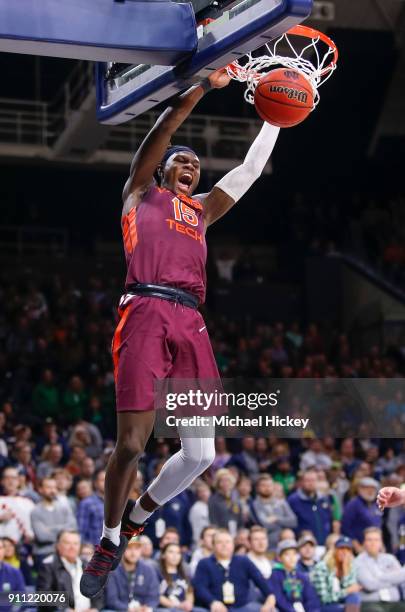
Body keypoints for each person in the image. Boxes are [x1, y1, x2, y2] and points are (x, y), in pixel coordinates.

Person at [81, 67, 281, 598]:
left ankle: (138, 516)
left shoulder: (202, 211)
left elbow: (251, 169)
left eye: (194, 164)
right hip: (145, 308)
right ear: (163, 171)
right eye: (181, 161)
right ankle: (107, 540)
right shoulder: (139, 193)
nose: (189, 165)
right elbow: (164, 128)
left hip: (190, 319)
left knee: (201, 455)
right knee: (130, 445)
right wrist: (203, 88)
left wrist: (278, 117)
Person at [193, 528, 276, 612]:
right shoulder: (204, 563)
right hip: (214, 608)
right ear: (213, 545)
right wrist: (212, 602)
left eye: (227, 542)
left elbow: (260, 580)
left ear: (233, 545)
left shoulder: (243, 560)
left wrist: (270, 596)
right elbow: (200, 588)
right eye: (219, 542)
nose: (224, 545)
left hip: (242, 607)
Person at [37, 529, 102, 612]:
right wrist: (65, 610)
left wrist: (95, 609)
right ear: (58, 546)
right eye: (67, 543)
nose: (72, 547)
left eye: (76, 543)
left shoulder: (87, 565)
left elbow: (99, 595)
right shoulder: (48, 566)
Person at [31, 476, 77, 567]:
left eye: (55, 487)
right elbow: (42, 537)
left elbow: (73, 528)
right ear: (40, 489)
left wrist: (50, 529)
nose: (53, 490)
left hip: (65, 552)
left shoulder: (64, 508)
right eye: (49, 487)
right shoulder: (36, 511)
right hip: (44, 552)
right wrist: (63, 530)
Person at [104, 537, 159, 612]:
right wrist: (128, 609)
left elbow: (154, 596)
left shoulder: (149, 569)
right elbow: (111, 600)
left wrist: (147, 608)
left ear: (141, 550)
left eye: (137, 548)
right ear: (122, 550)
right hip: (120, 610)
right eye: (129, 548)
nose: (133, 553)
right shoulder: (113, 570)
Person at [353, 526, 405, 607]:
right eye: (369, 540)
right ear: (364, 543)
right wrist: (394, 580)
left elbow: (403, 577)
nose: (373, 543)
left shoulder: (390, 558)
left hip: (395, 603)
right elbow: (370, 585)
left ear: (381, 542)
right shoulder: (358, 562)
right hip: (371, 603)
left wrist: (380, 577)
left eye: (376, 540)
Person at [310, 536, 362, 612]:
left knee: (354, 597)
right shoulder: (322, 567)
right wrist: (346, 591)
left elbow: (351, 591)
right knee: (346, 608)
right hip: (323, 605)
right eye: (341, 548)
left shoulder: (350, 566)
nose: (344, 552)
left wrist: (345, 571)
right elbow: (324, 598)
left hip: (342, 603)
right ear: (334, 550)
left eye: (348, 550)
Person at [269, 539, 321, 612]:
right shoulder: (276, 574)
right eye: (287, 554)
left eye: (294, 554)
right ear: (279, 558)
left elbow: (311, 598)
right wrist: (292, 610)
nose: (291, 557)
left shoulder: (301, 576)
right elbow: (278, 598)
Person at [288, 469, 335, 545]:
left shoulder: (324, 499)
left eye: (313, 480)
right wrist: (300, 532)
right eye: (308, 480)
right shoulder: (293, 500)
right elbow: (290, 523)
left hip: (325, 542)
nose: (311, 483)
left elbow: (330, 519)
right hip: (304, 544)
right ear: (302, 482)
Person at [251, 474, 297, 550]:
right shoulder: (255, 505)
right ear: (258, 488)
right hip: (267, 542)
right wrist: (283, 524)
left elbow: (294, 521)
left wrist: (277, 519)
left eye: (269, 485)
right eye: (263, 485)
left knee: (288, 533)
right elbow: (264, 525)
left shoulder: (281, 503)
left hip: (284, 541)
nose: (267, 488)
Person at [157, 542, 205, 612]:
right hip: (166, 608)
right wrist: (176, 605)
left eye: (178, 553)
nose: (175, 556)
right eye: (171, 552)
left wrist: (188, 604)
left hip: (183, 608)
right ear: (163, 555)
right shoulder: (158, 574)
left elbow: (189, 592)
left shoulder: (185, 574)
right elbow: (158, 596)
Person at [341, 477, 382, 552]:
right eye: (367, 488)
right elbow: (345, 527)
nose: (370, 491)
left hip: (374, 545)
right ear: (360, 489)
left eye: (373, 488)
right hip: (359, 546)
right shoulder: (353, 504)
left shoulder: (376, 504)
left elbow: (379, 526)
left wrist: (381, 544)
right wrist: (356, 545)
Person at [208, 468, 243, 534]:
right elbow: (213, 520)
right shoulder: (213, 500)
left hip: (236, 532)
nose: (226, 483)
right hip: (221, 533)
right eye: (222, 481)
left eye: (228, 480)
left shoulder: (236, 497)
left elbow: (240, 517)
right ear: (218, 483)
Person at [77, 469, 105, 545]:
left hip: (113, 550)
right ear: (96, 483)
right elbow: (81, 530)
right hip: (94, 549)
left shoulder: (115, 503)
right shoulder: (86, 503)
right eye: (103, 480)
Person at [0, 538, 26, 612]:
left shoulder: (14, 572)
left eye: (0, 548)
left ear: (4, 551)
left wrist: (14, 610)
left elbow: (20, 597)